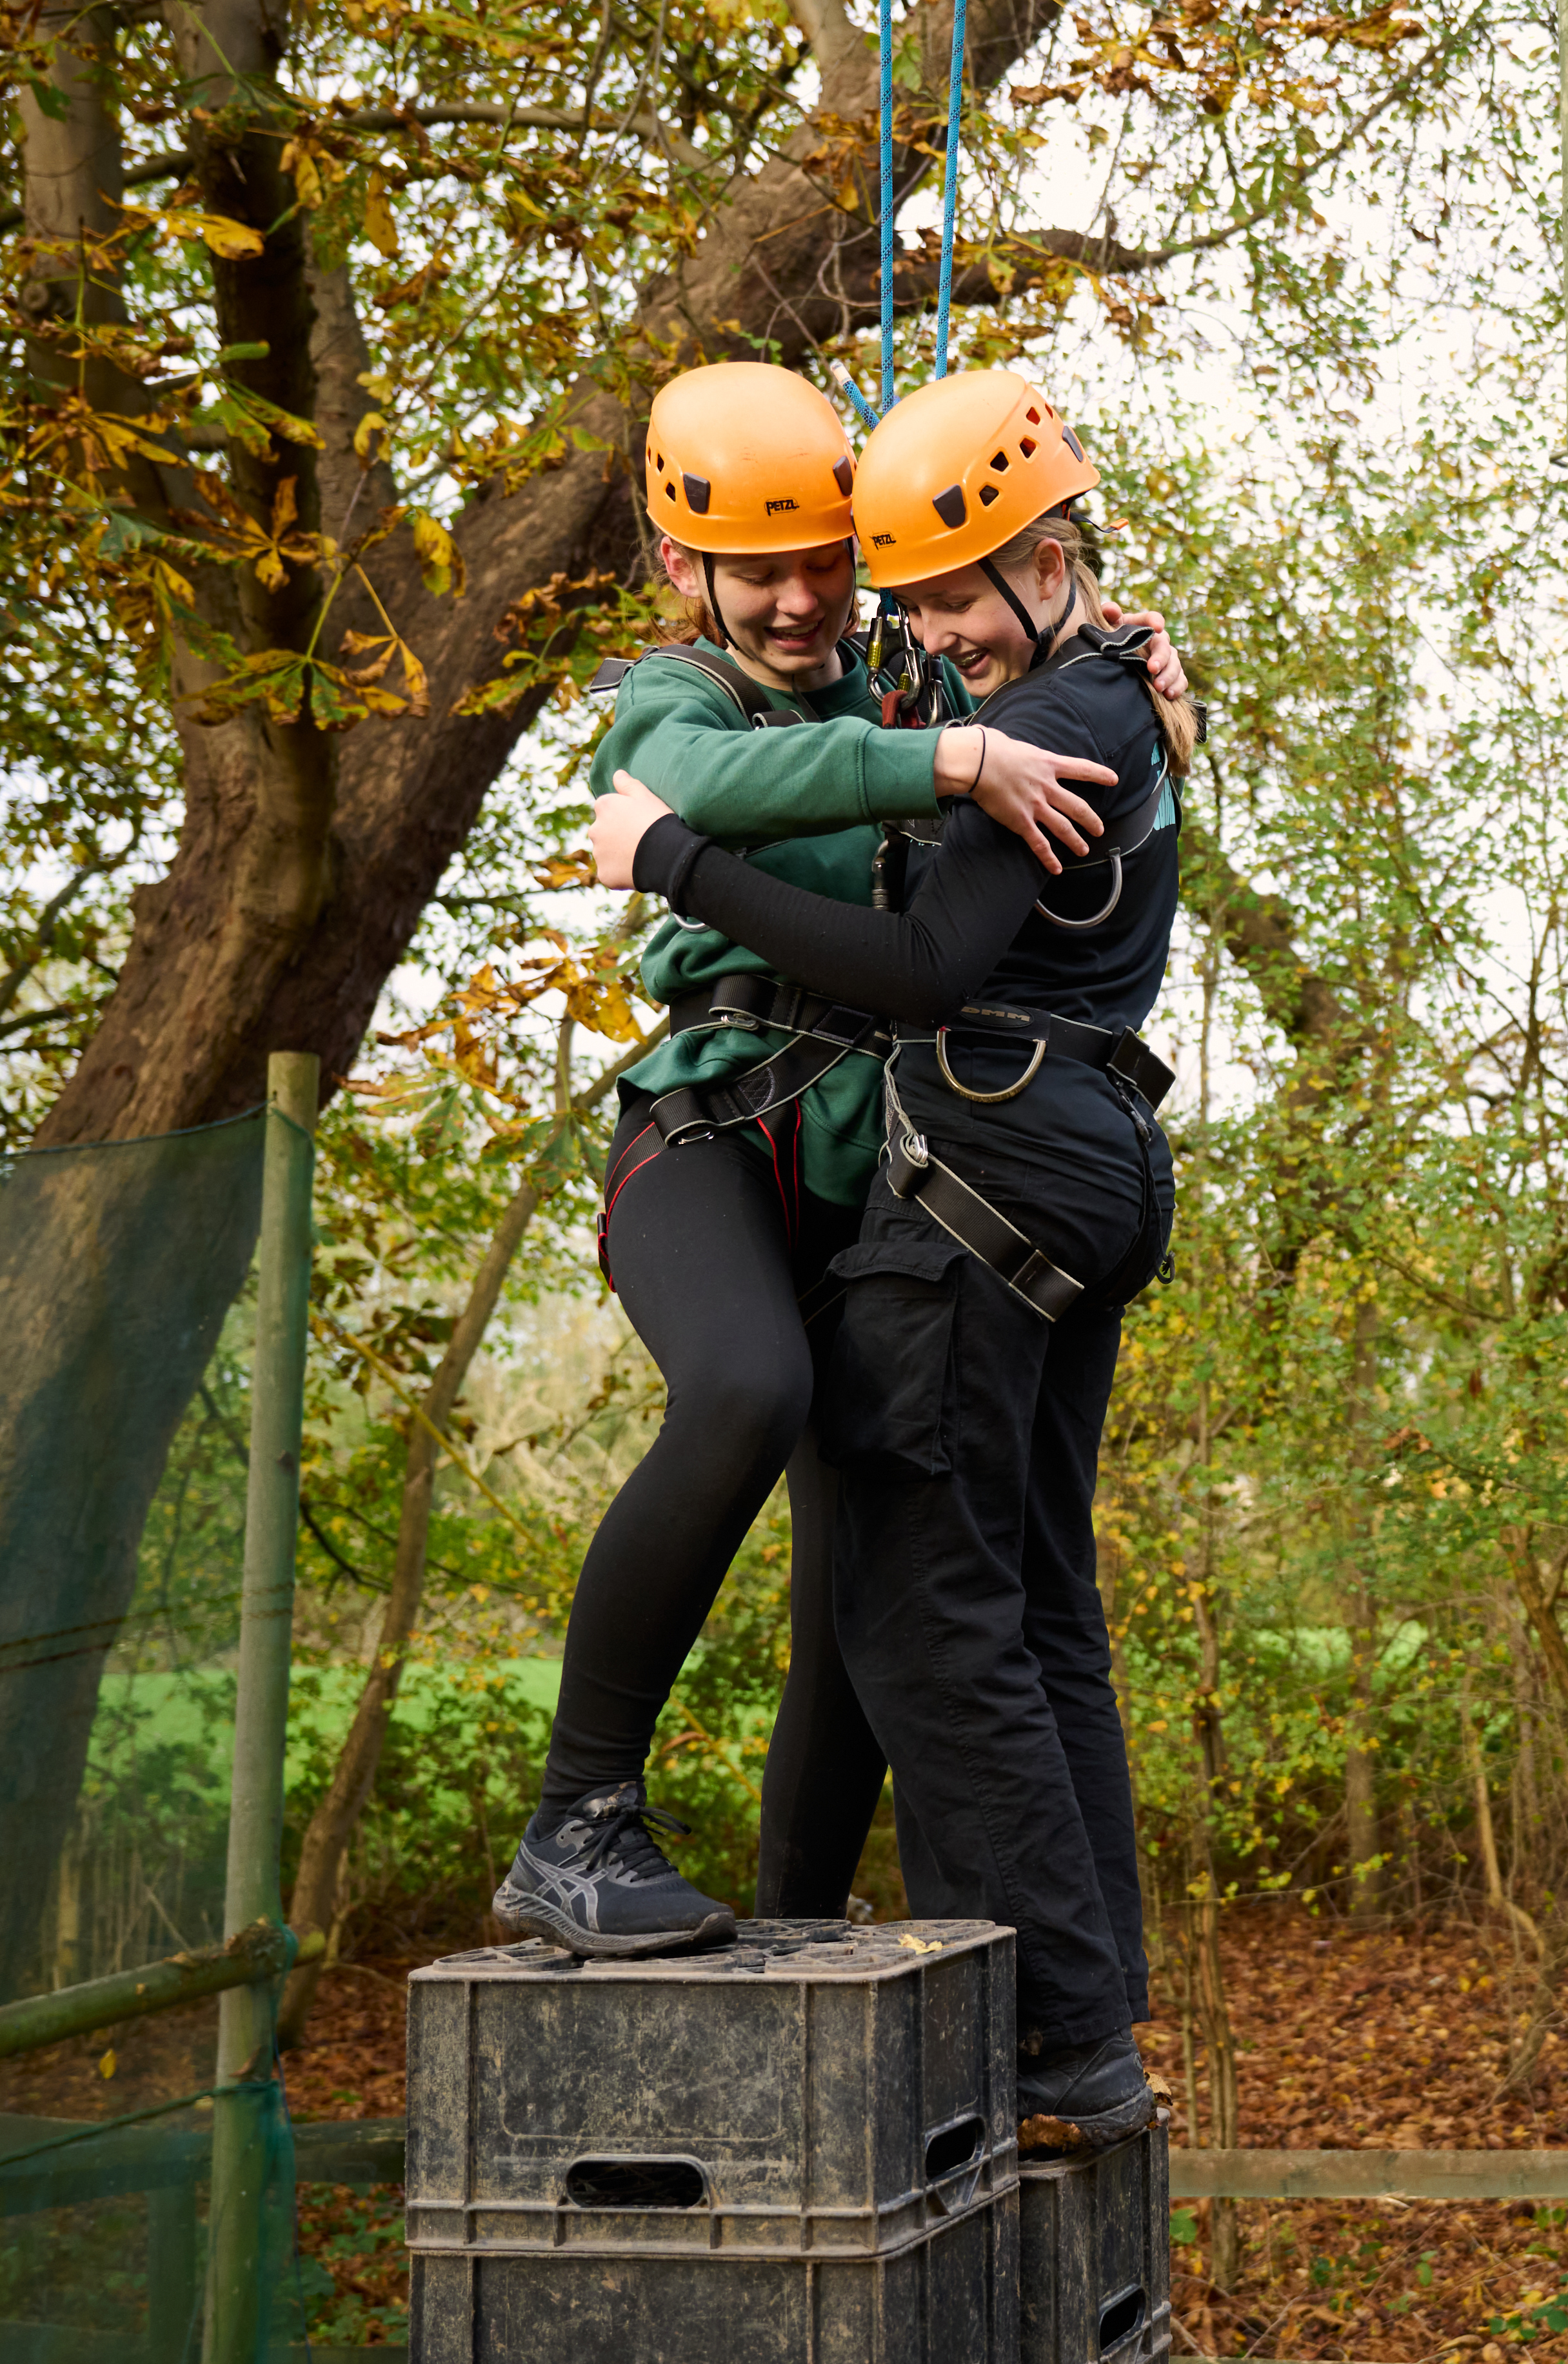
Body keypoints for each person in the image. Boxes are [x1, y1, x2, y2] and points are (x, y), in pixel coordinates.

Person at [588, 366, 1182, 2148]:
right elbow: (710, 749)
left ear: (1050, 553)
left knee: (928, 1609)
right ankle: (1082, 2021)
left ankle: (1058, 2041)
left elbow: (923, 969)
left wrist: (676, 866)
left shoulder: (1062, 706)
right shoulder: (1006, 690)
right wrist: (1025, 692)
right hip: (1077, 1158)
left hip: (997, 1155)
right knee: (1024, 1597)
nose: (914, 627)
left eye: (934, 591)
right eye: (901, 595)